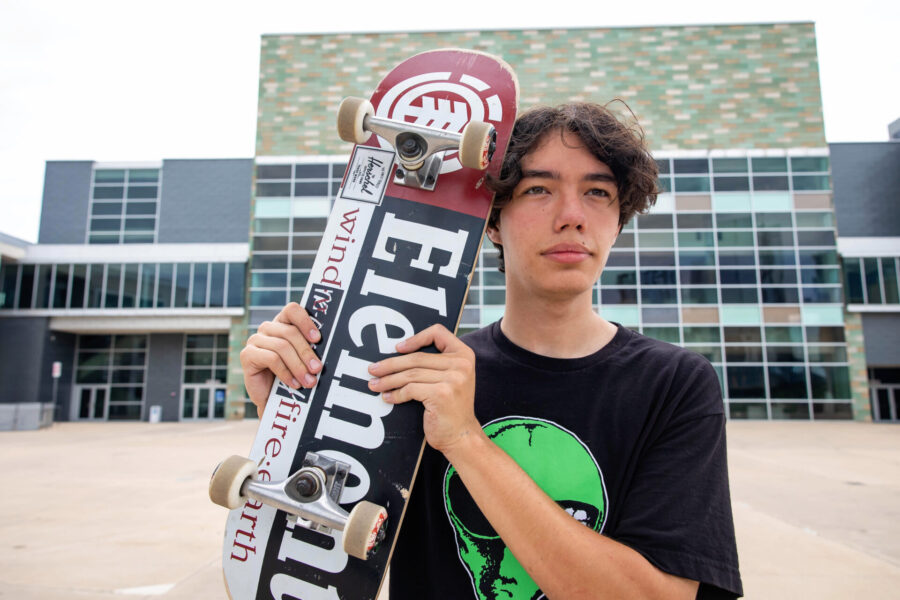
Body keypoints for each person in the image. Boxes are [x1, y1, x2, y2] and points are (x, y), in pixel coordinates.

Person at [240, 102, 743, 599]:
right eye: (539, 189)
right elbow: (335, 550)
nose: (571, 216)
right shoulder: (420, 373)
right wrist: (293, 413)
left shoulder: (675, 385)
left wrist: (465, 440)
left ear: (617, 221)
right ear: (493, 221)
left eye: (597, 192)